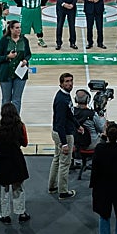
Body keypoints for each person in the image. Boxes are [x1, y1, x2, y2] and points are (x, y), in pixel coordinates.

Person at [0, 102, 30, 224]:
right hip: (16, 160)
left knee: (3, 189)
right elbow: (25, 143)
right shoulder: (21, 126)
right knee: (18, 187)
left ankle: (4, 215)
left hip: (2, 161)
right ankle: (21, 212)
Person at [49, 71, 77, 199]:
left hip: (58, 132)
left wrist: (78, 125)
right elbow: (60, 123)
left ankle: (52, 186)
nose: (70, 83)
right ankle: (63, 191)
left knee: (56, 159)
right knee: (64, 163)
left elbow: (69, 114)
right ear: (61, 84)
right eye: (66, 81)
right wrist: (64, 143)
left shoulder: (65, 95)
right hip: (63, 134)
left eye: (71, 80)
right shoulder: (61, 100)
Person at [0, 19, 32, 111]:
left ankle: (16, 120)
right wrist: (8, 56)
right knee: (6, 100)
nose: (19, 30)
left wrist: (25, 60)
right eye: (16, 28)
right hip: (6, 74)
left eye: (19, 28)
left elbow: (28, 54)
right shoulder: (3, 41)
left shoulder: (24, 40)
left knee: (17, 100)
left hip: (20, 74)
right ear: (11, 29)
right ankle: (5, 119)